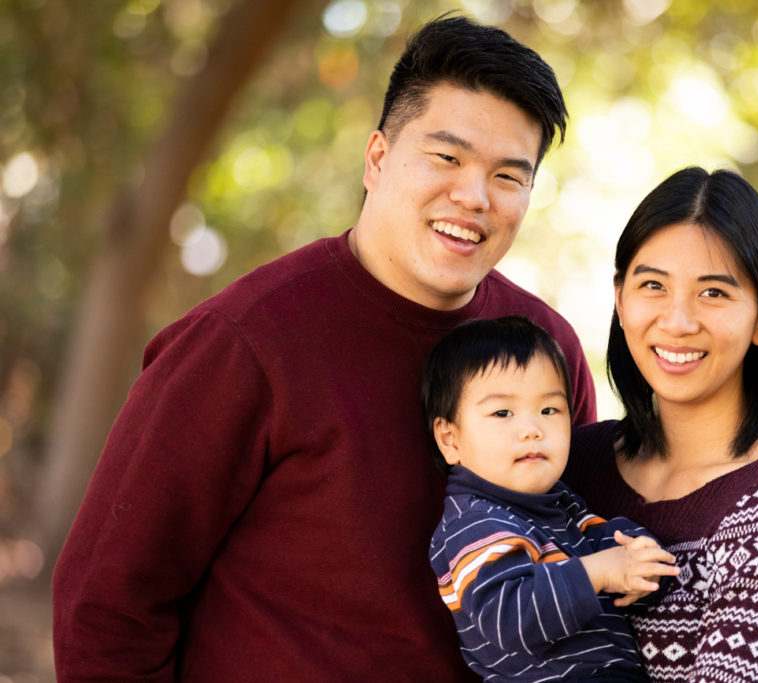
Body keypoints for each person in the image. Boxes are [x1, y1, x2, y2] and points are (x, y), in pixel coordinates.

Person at [52, 15, 596, 682]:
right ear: (377, 159)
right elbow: (105, 608)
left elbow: (578, 565)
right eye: (446, 157)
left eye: (508, 176)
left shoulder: (550, 352)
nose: (473, 196)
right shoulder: (245, 341)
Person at [561, 167, 758, 682]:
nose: (678, 320)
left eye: (713, 293)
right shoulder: (571, 465)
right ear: (620, 299)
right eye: (652, 285)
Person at [422, 317, 679, 681]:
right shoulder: (475, 524)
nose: (532, 430)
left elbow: (613, 550)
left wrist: (640, 559)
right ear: (450, 439)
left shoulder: (561, 504)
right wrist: (600, 572)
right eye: (502, 413)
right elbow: (507, 618)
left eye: (549, 410)